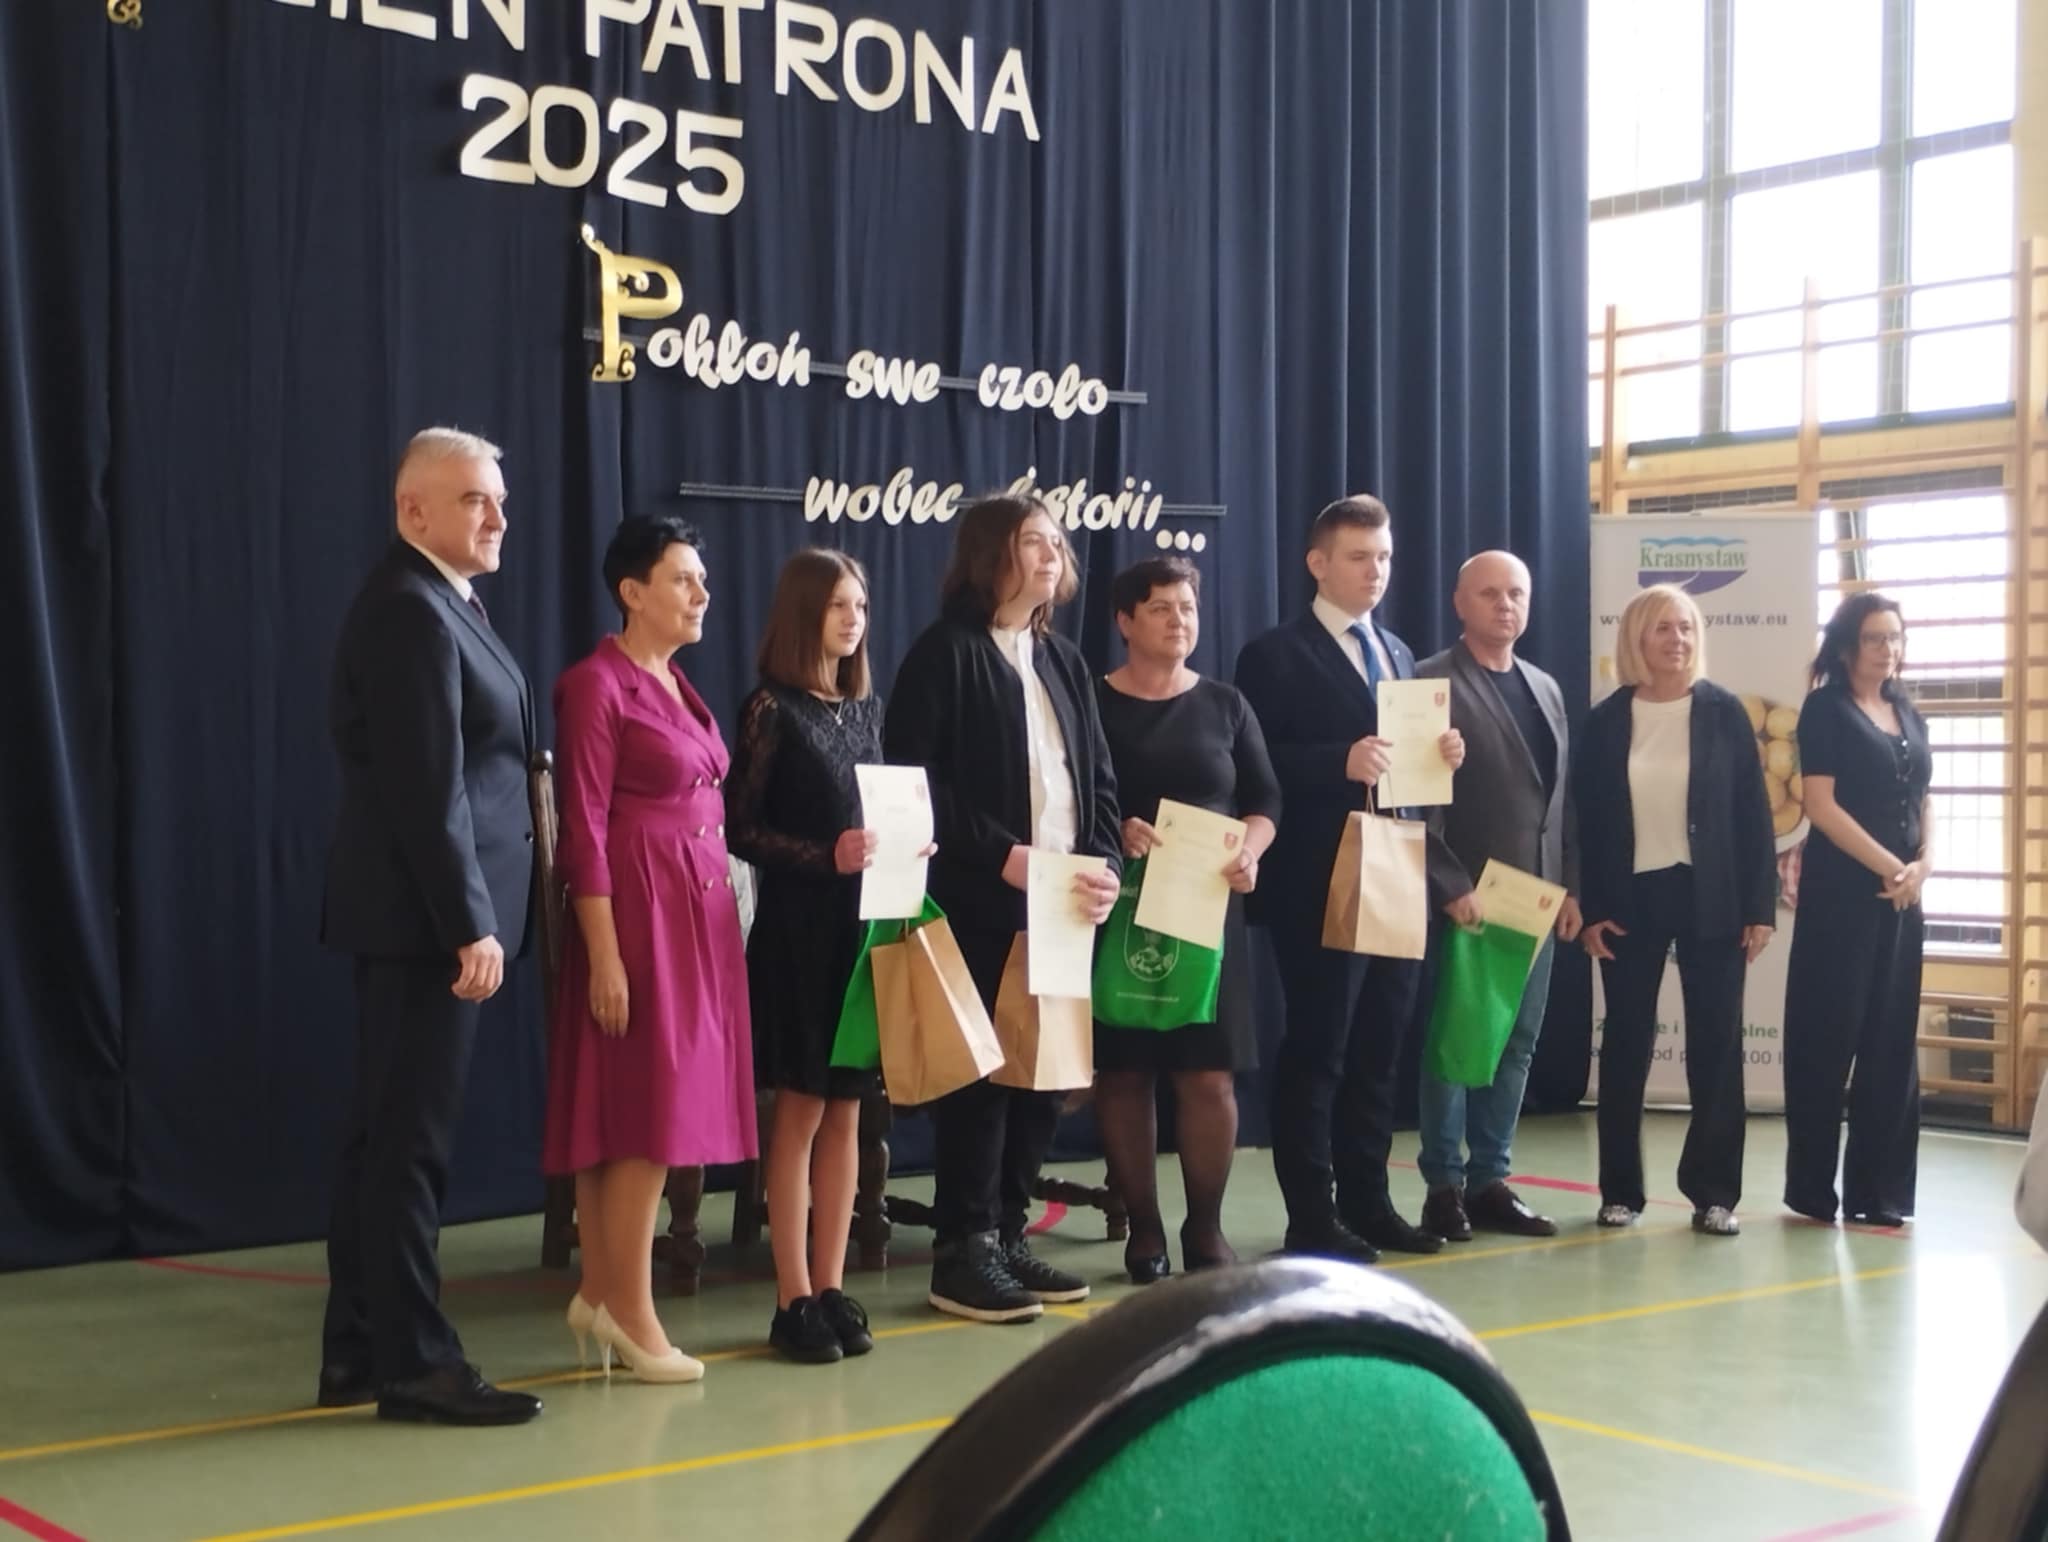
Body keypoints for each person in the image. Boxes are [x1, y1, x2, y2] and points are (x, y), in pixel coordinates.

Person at [318, 427, 541, 1426]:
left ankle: (360, 1351)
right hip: (426, 925)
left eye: (499, 500)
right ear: (414, 510)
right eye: (474, 500)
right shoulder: (411, 610)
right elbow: (426, 787)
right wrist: (469, 923)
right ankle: (415, 1363)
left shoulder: (437, 601)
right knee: (407, 1148)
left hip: (420, 918)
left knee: (384, 1140)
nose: (497, 517)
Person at [885, 493, 1123, 1323]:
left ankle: (1011, 1234)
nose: (1053, 554)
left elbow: (1098, 777)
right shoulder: (945, 653)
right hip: (982, 898)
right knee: (982, 1079)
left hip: (1063, 900)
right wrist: (1002, 855)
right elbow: (918, 781)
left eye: (1057, 541)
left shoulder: (1062, 659)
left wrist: (1106, 863)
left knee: (1041, 1077)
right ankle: (964, 1250)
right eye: (1033, 541)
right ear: (992, 554)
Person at [543, 515, 756, 1383]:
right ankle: (631, 1310)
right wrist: (604, 955)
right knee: (643, 1112)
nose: (701, 593)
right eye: (682, 579)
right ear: (632, 592)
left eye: (701, 579)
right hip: (639, 912)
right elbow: (584, 830)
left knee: (641, 1110)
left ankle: (602, 1293)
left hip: (697, 911)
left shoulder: (676, 683)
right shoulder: (596, 686)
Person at [1234, 494, 1466, 1264]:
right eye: (1361, 557)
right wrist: (1337, 760)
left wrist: (1439, 755)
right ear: (1318, 563)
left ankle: (1370, 1202)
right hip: (1316, 874)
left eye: (1385, 557)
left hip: (1396, 862)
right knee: (1320, 1046)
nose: (1377, 571)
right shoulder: (1274, 654)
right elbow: (1254, 765)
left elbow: (1403, 764)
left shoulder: (1397, 650)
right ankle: (1312, 1213)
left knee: (1380, 1046)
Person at [727, 548, 908, 1363]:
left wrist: (908, 843)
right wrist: (823, 855)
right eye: (839, 606)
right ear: (805, 613)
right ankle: (791, 1296)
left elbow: (881, 812)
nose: (853, 620)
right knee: (799, 1113)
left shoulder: (866, 709)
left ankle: (832, 1287)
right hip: (800, 934)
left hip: (860, 932)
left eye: (861, 607)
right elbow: (741, 829)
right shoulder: (771, 708)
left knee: (848, 1113)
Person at [1092, 556, 1281, 1283]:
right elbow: (1068, 797)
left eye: (1188, 608)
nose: (1179, 621)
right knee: (1125, 1075)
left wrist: (1250, 851)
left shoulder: (1226, 704)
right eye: (1162, 608)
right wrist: (1115, 831)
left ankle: (1205, 1227)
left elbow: (1266, 801)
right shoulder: (1092, 701)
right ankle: (1143, 1229)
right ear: (1125, 621)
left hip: (1207, 913)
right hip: (1118, 910)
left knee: (1208, 1078)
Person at [1574, 582, 1775, 1237]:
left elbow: (1753, 815)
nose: (1677, 639)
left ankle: (1714, 1194)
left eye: (1686, 627)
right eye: (1663, 627)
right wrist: (1592, 908)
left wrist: (1760, 906)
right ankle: (1620, 1192)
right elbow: (1585, 823)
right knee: (1625, 1045)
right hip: (1629, 899)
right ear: (1636, 637)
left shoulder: (1724, 712)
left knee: (1716, 1044)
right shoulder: (1606, 721)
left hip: (1712, 896)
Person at [1415, 551, 1581, 1243]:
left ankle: (1490, 1180)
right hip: (1467, 897)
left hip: (1535, 896)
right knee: (1456, 1043)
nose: (1505, 605)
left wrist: (1568, 887)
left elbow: (1561, 802)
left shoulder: (1545, 686)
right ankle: (1443, 1186)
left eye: (1516, 594)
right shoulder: (1428, 680)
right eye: (1489, 594)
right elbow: (1413, 801)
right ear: (1460, 602)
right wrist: (1448, 883)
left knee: (1517, 1042)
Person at [1782, 593, 1932, 1228]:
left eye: (1895, 637)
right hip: (1841, 898)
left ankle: (1880, 1193)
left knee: (1891, 1044)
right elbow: (1821, 806)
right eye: (1875, 638)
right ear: (1847, 646)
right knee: (1826, 1038)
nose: (1887, 649)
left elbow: (1924, 798)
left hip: (1902, 900)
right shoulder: (1825, 709)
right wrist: (1889, 866)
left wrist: (1923, 865)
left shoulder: (1907, 710)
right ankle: (1812, 1189)